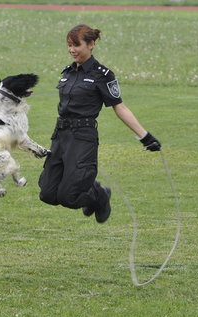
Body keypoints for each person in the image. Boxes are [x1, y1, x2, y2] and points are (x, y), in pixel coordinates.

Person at [39, 24, 161, 223]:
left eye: (76, 45)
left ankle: (99, 196)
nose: (71, 50)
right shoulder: (67, 72)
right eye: (69, 45)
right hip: (61, 136)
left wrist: (145, 136)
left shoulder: (102, 75)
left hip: (82, 138)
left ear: (91, 44)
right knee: (47, 194)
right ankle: (94, 190)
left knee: (68, 197)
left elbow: (119, 107)